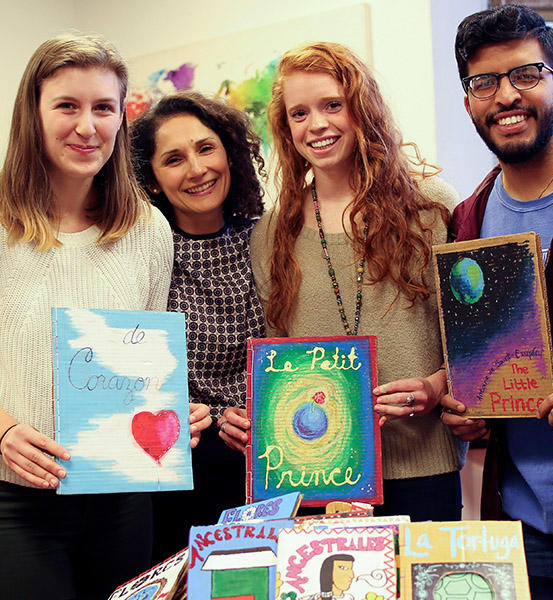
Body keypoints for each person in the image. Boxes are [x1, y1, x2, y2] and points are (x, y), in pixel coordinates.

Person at [0, 34, 207, 600]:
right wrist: (3, 429)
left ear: (121, 117)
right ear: (32, 114)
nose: (87, 127)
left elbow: (141, 359)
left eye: (103, 108)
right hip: (17, 503)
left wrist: (169, 407)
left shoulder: (148, 231)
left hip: (121, 498)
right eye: (67, 105)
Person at [220, 42, 464, 520]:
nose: (317, 124)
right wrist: (254, 418)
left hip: (421, 464)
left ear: (361, 108)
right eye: (299, 113)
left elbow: (467, 337)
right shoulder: (272, 231)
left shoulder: (431, 206)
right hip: (315, 478)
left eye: (333, 105)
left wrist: (437, 386)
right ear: (286, 129)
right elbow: (275, 352)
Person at [442, 4, 553, 582]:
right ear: (469, 103)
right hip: (524, 531)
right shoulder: (467, 221)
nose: (506, 95)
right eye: (485, 82)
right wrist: (460, 400)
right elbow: (493, 358)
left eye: (525, 75)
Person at [131, 91, 266, 561]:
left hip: (272, 467)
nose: (196, 169)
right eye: (174, 159)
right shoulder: (141, 254)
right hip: (174, 472)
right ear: (151, 181)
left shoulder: (270, 238)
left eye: (206, 148)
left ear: (229, 150)